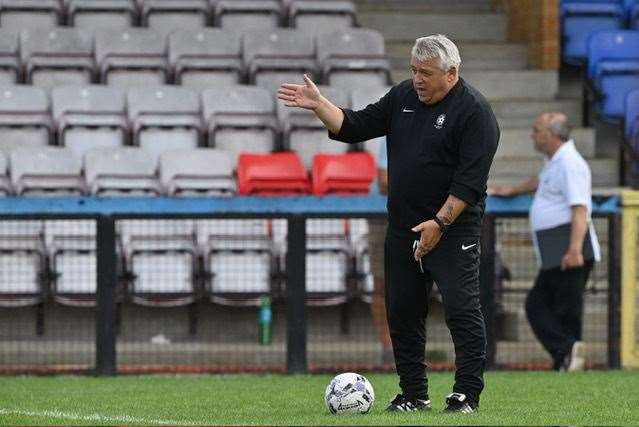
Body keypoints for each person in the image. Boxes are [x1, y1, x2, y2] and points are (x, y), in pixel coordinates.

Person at [278, 34, 499, 413]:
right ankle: (414, 394)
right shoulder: (402, 98)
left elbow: (469, 183)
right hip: (401, 226)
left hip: (453, 228)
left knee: (462, 309)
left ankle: (466, 395)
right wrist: (319, 105)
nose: (418, 79)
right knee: (402, 311)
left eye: (426, 73)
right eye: (413, 70)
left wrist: (439, 225)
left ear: (452, 73)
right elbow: (353, 125)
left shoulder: (475, 112)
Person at [491, 112, 600, 372]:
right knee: (549, 305)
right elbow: (541, 181)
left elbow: (580, 209)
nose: (533, 134)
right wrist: (514, 190)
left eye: (537, 129)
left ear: (552, 135)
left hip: (568, 246)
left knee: (550, 306)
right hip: (556, 247)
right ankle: (567, 355)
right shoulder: (555, 162)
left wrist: (574, 249)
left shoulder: (571, 163)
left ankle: (568, 352)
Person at [367, 140, 393, 365]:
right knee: (381, 284)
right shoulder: (396, 131)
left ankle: (410, 348)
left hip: (420, 213)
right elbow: (384, 182)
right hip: (383, 216)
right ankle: (388, 348)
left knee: (416, 285)